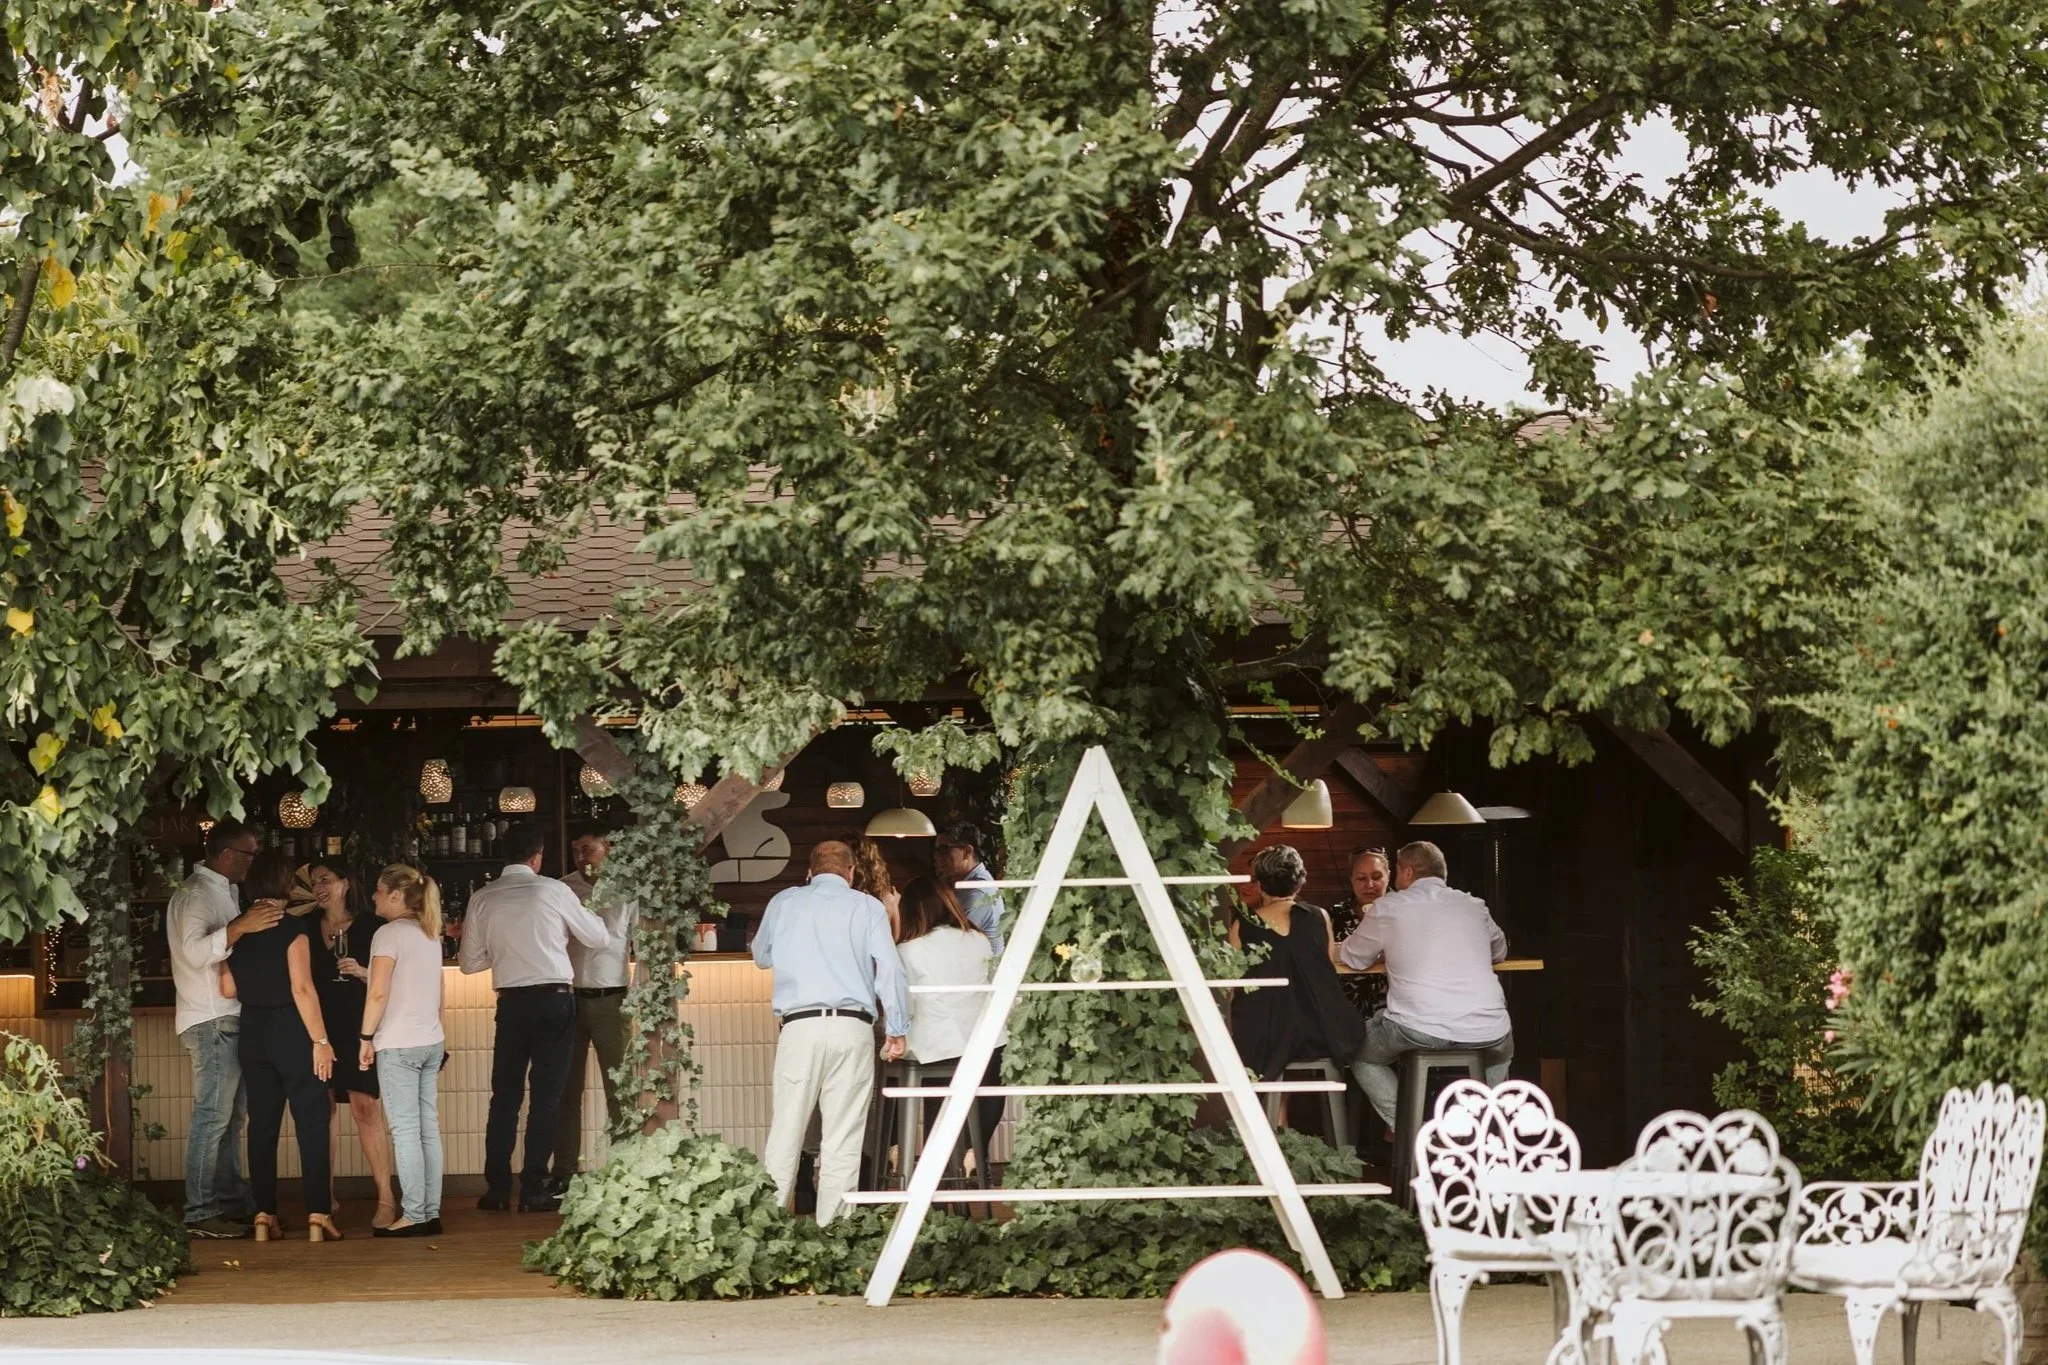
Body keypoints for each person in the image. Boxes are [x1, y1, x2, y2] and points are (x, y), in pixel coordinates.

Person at [752, 840, 909, 1224]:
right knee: (843, 1135)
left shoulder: (784, 902)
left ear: (810, 871)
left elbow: (760, 955)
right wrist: (898, 1028)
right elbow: (890, 969)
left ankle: (769, 1225)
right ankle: (833, 1229)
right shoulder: (868, 907)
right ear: (851, 873)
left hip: (800, 1027)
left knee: (787, 1128)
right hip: (852, 1028)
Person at [459, 822, 609, 1213]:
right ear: (537, 856)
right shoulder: (554, 890)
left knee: (504, 1096)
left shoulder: (482, 897)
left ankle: (496, 1189)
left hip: (510, 1004)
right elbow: (598, 938)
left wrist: (507, 951)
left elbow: (469, 964)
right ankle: (533, 1190)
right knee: (547, 1097)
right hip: (554, 1001)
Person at [1336, 841, 1512, 1130]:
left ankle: (1411, 1129)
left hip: (1418, 1027)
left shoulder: (1388, 907)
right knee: (1498, 1057)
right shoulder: (1473, 904)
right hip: (1490, 1029)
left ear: (1405, 872)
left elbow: (1353, 958)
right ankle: (1478, 1131)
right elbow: (1500, 951)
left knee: (1357, 1049)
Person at [167, 818, 282, 1238]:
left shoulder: (223, 892)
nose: (253, 862)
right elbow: (196, 952)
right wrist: (241, 926)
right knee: (212, 1118)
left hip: (227, 1015)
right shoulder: (197, 894)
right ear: (227, 854)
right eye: (249, 854)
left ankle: (231, 1201)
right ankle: (200, 1212)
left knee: (232, 1119)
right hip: (211, 1017)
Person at [225, 849, 341, 1242]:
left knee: (262, 1126)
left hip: (252, 1030)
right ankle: (317, 1215)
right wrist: (321, 1041)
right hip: (292, 1030)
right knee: (311, 1122)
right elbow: (302, 988)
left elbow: (227, 987)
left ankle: (263, 1214)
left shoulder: (237, 929)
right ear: (283, 884)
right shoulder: (293, 929)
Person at [1229, 846, 1365, 1110]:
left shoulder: (1242, 926)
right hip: (1320, 1033)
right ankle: (1282, 1116)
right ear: (1300, 880)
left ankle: (1274, 1117)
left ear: (1259, 884)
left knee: (1258, 1038)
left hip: (1262, 1036)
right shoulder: (1318, 917)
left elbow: (1234, 982)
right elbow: (1326, 967)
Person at [303, 857, 398, 1228]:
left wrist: (363, 973)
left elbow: (392, 982)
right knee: (320, 1112)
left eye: (325, 879)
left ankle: (386, 1198)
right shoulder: (305, 927)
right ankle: (323, 1198)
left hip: (360, 1030)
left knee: (366, 1110)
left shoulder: (374, 927)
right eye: (314, 883)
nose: (319, 888)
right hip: (318, 1033)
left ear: (346, 883)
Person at [359, 864, 447, 1238]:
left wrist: (365, 1038)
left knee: (406, 1130)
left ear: (396, 896)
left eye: (379, 890)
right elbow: (436, 991)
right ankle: (430, 1211)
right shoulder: (430, 934)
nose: (374, 896)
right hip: (430, 1040)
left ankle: (412, 1213)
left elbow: (378, 993)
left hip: (398, 1044)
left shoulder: (388, 934)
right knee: (428, 1128)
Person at [895, 875, 1008, 1153]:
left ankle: (928, 1164)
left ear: (911, 911)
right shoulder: (979, 939)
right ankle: (971, 1158)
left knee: (901, 1077)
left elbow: (904, 1007)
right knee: (987, 1093)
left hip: (939, 1050)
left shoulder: (907, 950)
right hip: (987, 1045)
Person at [550, 828, 636, 1191]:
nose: (582, 856)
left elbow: (640, 941)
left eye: (588, 848)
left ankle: (625, 1171)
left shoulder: (629, 888)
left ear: (608, 847)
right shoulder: (561, 888)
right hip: (567, 997)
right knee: (565, 1091)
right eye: (576, 850)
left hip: (613, 997)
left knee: (620, 1089)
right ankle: (564, 1172)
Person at [1325, 847, 1392, 1016]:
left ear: (1388, 876)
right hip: (1344, 1011)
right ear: (1352, 880)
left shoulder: (1402, 912)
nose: (1369, 885)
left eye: (1377, 877)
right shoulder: (1334, 914)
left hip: (1394, 1013)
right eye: (1361, 878)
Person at [933, 821, 1005, 955]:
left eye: (944, 849)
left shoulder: (978, 892)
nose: (936, 857)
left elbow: (952, 942)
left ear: (967, 852)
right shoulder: (963, 885)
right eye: (936, 850)